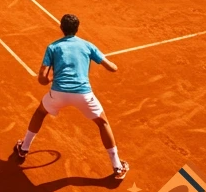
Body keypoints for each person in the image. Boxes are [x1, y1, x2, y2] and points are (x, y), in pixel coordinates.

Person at [13, 12, 128, 180]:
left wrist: (54, 76)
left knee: (40, 112)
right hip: (83, 94)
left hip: (58, 94)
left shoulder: (52, 47)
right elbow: (112, 68)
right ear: (77, 28)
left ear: (61, 28)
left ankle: (24, 148)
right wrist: (113, 65)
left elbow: (42, 79)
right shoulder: (88, 45)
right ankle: (117, 167)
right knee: (102, 123)